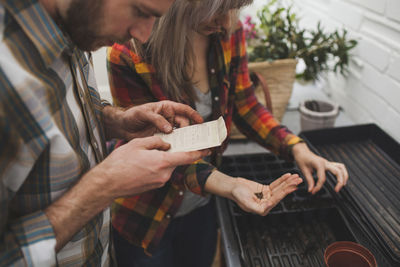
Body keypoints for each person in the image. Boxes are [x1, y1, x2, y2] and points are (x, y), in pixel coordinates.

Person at [107, 0, 350, 266]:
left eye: (233, 9)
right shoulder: (128, 53)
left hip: (202, 205)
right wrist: (229, 185)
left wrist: (296, 147)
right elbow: (156, 148)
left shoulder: (228, 34)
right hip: (144, 214)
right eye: (218, 9)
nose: (226, 22)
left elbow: (245, 104)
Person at [0, 0, 215, 266]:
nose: (145, 35)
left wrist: (118, 121)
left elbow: (62, 115)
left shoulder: (75, 27)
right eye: (139, 11)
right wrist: (105, 185)